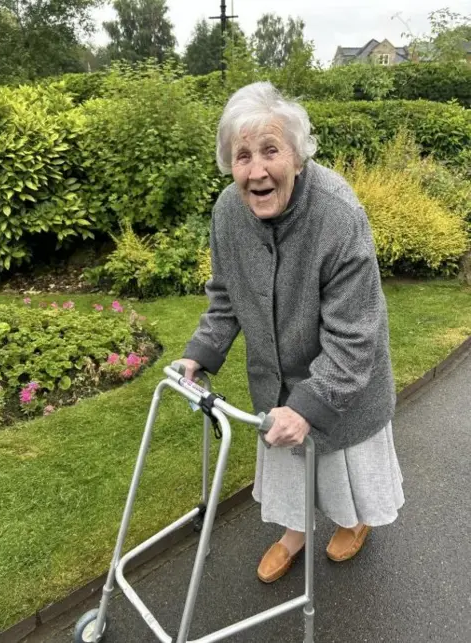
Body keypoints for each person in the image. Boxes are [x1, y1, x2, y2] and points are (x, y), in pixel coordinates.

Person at [176, 81, 404, 584]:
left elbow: (354, 337)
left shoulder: (338, 215)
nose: (255, 170)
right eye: (242, 156)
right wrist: (199, 354)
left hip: (342, 388)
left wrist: (309, 406)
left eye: (270, 151)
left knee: (342, 473)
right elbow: (225, 295)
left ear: (298, 157)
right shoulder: (227, 212)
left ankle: (354, 521)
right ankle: (294, 534)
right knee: (288, 470)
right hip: (275, 384)